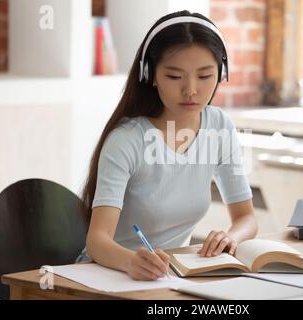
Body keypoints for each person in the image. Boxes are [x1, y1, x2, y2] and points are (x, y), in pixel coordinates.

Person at [77, 10, 257, 281]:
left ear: (222, 74)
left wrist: (229, 237)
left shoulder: (219, 127)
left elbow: (247, 218)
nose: (191, 90)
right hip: (108, 275)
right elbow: (97, 241)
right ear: (150, 74)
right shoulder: (127, 140)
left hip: (170, 275)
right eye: (174, 77)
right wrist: (130, 261)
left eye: (205, 76)